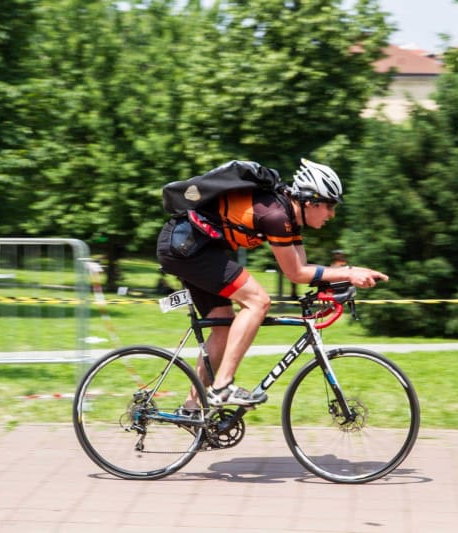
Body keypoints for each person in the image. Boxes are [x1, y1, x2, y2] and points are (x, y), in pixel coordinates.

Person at [156, 159, 388, 408]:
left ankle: (191, 408)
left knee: (223, 324)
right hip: (185, 248)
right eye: (330, 206)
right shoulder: (276, 215)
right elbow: (296, 273)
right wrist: (349, 273)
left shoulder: (289, 218)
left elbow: (303, 268)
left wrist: (338, 280)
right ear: (311, 202)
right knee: (258, 302)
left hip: (194, 249)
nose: (332, 214)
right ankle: (222, 387)